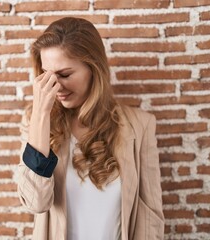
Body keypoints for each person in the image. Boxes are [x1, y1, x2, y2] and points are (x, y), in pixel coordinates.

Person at [16, 17, 164, 240]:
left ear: (94, 68)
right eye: (47, 76)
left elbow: (150, 217)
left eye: (65, 75)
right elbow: (35, 203)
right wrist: (40, 114)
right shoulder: (35, 122)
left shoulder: (140, 125)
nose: (55, 87)